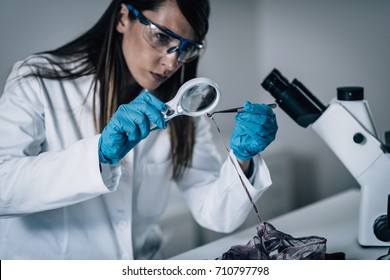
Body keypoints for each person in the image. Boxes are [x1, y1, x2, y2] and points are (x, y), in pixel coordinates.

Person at [0, 0, 278, 260]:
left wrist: (242, 159)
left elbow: (217, 215)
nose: (172, 63)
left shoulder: (182, 109)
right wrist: (97, 156)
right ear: (123, 17)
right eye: (161, 37)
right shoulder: (38, 79)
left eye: (187, 48)